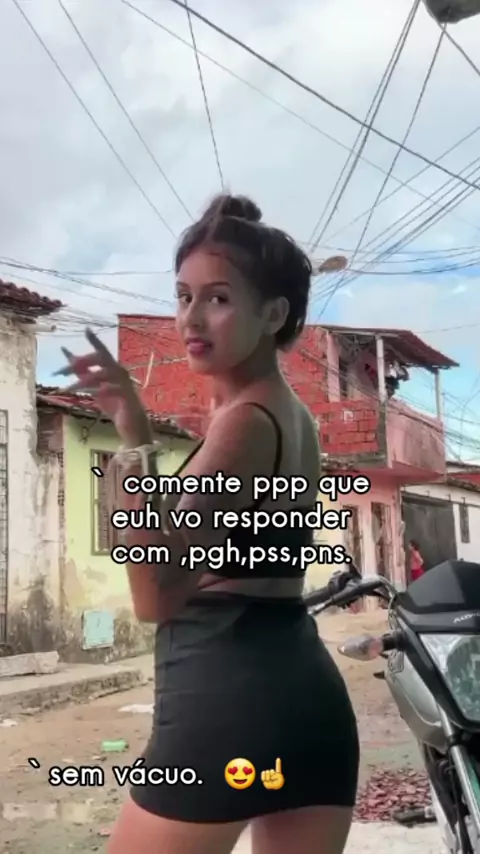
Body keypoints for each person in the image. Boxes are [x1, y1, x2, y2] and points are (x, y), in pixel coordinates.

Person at [56, 194, 359, 854]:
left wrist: (134, 443)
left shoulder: (246, 423)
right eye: (183, 296)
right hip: (310, 707)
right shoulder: (294, 418)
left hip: (226, 705)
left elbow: (155, 595)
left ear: (273, 313)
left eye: (218, 298)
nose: (191, 318)